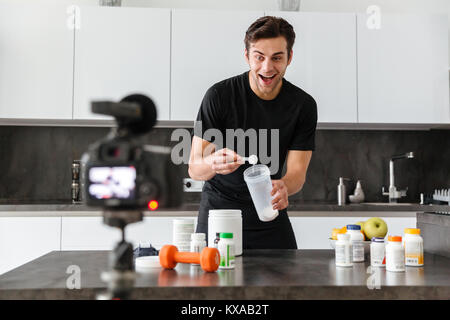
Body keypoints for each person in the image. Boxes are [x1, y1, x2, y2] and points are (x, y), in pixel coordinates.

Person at [188, 16, 317, 249]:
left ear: (289, 58)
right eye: (259, 57)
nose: (267, 68)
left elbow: (297, 173)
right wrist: (213, 164)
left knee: (286, 283)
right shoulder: (219, 96)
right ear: (247, 57)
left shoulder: (303, 106)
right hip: (219, 214)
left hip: (269, 213)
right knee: (213, 284)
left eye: (277, 58)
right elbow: (195, 167)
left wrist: (284, 186)